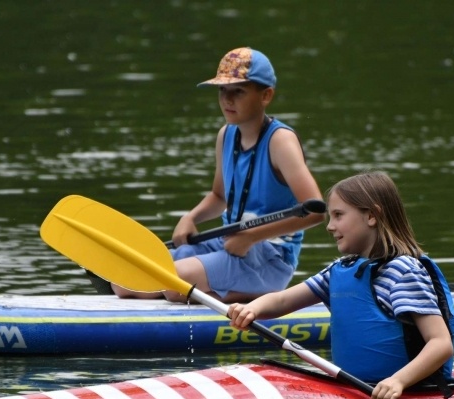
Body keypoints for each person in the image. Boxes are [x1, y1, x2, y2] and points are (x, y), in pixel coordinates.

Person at [227, 171, 454, 399]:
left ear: (371, 216)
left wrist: (398, 381)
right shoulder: (341, 269)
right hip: (357, 388)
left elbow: (440, 344)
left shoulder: (402, 272)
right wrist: (252, 308)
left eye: (338, 215)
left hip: (403, 391)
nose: (329, 226)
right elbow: (283, 301)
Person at [113, 47, 324, 303]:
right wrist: (191, 217)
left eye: (238, 91)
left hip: (271, 256)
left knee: (174, 284)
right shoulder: (226, 135)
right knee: (123, 280)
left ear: (266, 95)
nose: (227, 99)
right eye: (222, 90)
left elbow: (316, 211)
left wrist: (252, 236)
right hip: (228, 244)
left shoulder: (281, 142)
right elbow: (218, 195)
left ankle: (267, 298)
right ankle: (200, 290)